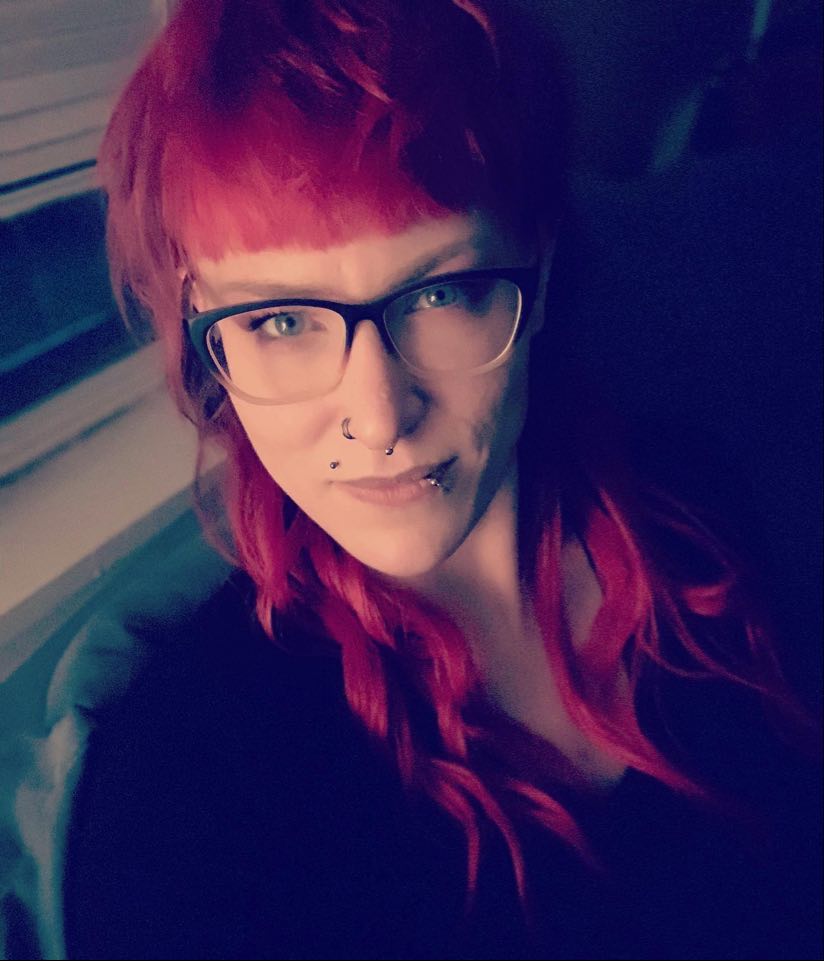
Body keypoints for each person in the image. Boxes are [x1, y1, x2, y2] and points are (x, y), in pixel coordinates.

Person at [1, 1, 819, 958]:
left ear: (538, 274)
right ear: (204, 337)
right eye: (280, 321)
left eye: (440, 292)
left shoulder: (692, 518)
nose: (380, 415)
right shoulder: (183, 793)